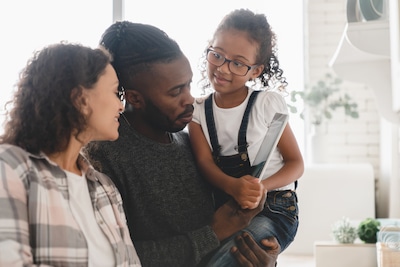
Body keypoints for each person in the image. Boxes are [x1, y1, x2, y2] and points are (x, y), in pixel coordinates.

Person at [85, 21, 279, 267]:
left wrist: (261, 256)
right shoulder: (103, 156)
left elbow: (228, 230)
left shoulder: (190, 142)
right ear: (135, 97)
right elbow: (114, 257)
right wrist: (213, 233)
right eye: (175, 92)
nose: (190, 99)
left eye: (188, 84)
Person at [0, 42, 141, 266]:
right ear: (81, 99)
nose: (121, 106)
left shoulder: (105, 188)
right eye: (115, 93)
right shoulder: (9, 167)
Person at [188, 9, 304, 266]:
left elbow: (296, 163)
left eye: (238, 63)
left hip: (275, 208)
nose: (223, 68)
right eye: (217, 55)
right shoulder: (197, 111)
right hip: (228, 206)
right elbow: (204, 163)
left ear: (255, 70)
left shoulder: (267, 104)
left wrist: (261, 188)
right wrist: (233, 188)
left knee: (233, 255)